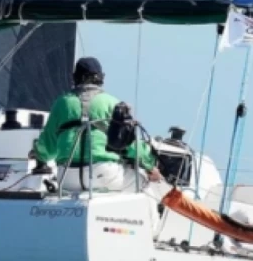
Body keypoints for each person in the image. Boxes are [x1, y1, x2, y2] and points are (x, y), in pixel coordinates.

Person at [31, 56, 162, 192]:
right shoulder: (112, 103)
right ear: (100, 78)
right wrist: (150, 164)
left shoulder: (61, 103)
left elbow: (47, 147)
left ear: (75, 77)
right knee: (145, 185)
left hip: (67, 177)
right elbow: (129, 145)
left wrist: (40, 155)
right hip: (103, 174)